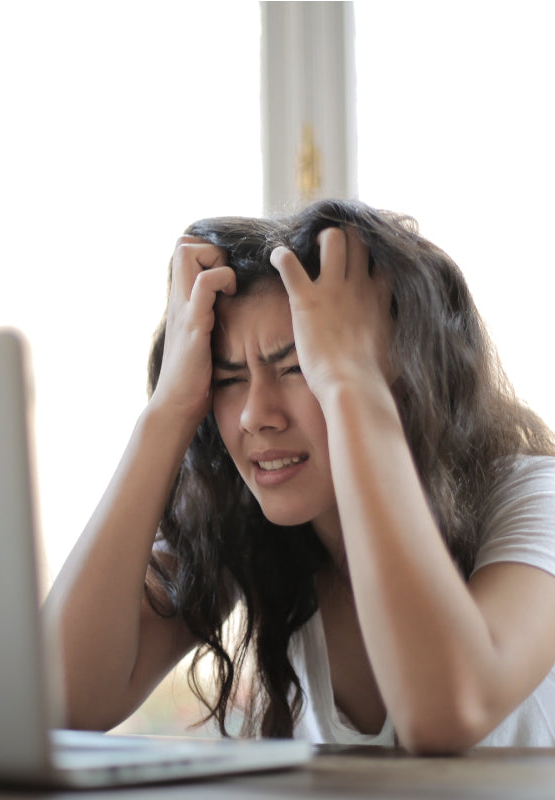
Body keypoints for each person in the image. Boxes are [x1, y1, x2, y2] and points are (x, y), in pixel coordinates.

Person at [44, 199, 555, 753]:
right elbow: (60, 701)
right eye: (228, 378)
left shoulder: (536, 496)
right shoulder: (245, 519)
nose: (255, 415)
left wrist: (351, 384)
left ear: (406, 374)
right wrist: (168, 409)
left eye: (297, 367)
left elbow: (447, 712)